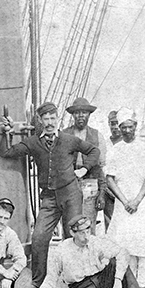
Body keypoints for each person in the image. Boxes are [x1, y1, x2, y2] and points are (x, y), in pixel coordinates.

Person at [0, 102, 99, 288]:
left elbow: (94, 151)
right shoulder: (33, 142)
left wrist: (84, 169)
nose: (50, 122)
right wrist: (7, 132)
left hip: (71, 194)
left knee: (75, 236)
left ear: (58, 119)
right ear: (40, 120)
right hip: (49, 198)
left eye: (53, 118)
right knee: (38, 237)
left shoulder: (70, 140)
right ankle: (38, 281)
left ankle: (81, 283)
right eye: (46, 119)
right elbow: (7, 152)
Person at [39, 215, 145, 288]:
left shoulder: (94, 241)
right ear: (72, 233)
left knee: (117, 262)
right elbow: (52, 276)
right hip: (82, 287)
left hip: (102, 278)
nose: (86, 236)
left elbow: (122, 252)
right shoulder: (62, 250)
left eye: (88, 231)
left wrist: (118, 281)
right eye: (82, 233)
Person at [105, 108, 145, 288]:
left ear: (135, 126)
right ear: (119, 128)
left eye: (130, 127)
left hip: (141, 203)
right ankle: (127, 284)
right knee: (124, 243)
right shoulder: (115, 150)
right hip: (123, 204)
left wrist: (137, 200)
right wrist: (124, 201)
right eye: (123, 127)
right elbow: (110, 179)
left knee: (144, 242)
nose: (127, 131)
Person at [62, 97, 107, 234]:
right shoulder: (63, 135)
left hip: (90, 184)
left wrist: (102, 193)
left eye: (84, 112)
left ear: (89, 115)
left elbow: (100, 168)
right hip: (70, 185)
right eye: (77, 112)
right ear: (73, 115)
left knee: (88, 226)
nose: (80, 116)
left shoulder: (97, 136)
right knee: (70, 226)